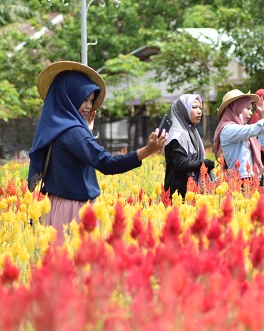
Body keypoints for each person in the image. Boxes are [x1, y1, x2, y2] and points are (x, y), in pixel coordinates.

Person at [28, 61, 167, 244]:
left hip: (56, 206)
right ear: (70, 96)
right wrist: (148, 150)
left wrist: (86, 131)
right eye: (84, 99)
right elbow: (107, 164)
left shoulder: (54, 126)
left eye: (91, 100)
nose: (89, 106)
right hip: (74, 211)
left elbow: (69, 155)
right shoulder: (73, 132)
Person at [213, 89, 264, 185]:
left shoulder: (242, 128)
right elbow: (255, 129)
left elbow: (262, 141)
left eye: (251, 109)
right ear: (235, 108)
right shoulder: (228, 129)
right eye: (247, 108)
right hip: (241, 179)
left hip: (255, 176)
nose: (251, 113)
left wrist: (262, 114)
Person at [164, 94, 215, 198]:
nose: (199, 111)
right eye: (194, 107)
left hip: (191, 191)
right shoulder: (178, 135)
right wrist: (205, 163)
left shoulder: (191, 132)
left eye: (200, 107)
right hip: (179, 195)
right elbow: (182, 165)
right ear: (183, 111)